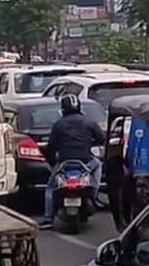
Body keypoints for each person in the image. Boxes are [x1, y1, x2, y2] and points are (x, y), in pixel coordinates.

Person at [39, 94, 106, 229]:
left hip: (64, 163)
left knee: (50, 189)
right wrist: (89, 142)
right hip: (86, 162)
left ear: (63, 109)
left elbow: (51, 146)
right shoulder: (89, 122)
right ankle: (95, 194)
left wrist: (51, 157)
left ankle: (48, 218)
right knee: (98, 166)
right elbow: (102, 139)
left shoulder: (59, 124)